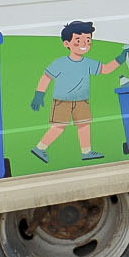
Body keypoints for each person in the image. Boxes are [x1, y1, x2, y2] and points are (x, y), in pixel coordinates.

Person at [31, 20, 122, 164]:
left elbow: (106, 69)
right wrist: (39, 95)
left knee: (84, 125)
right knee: (59, 126)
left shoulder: (88, 63)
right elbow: (46, 77)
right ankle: (40, 147)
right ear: (67, 44)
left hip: (82, 100)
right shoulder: (60, 62)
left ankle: (86, 152)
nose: (84, 44)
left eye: (87, 40)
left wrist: (121, 58)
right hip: (62, 101)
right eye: (78, 40)